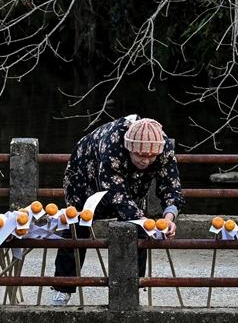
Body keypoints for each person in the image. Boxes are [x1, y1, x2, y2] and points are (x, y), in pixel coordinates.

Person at [50, 116, 184, 306]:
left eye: (150, 157)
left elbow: (171, 186)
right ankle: (63, 287)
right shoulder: (112, 146)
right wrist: (146, 223)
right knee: (77, 225)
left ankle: (132, 287)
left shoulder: (163, 148)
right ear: (129, 148)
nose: (146, 161)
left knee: (138, 227)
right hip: (85, 175)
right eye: (140, 155)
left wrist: (169, 217)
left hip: (132, 180)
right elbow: (117, 196)